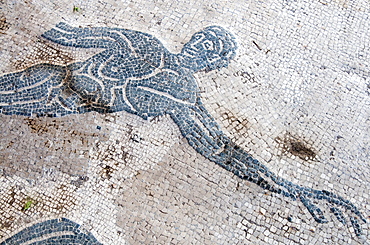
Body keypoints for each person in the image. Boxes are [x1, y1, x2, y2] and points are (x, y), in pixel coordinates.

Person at [0, 22, 365, 236]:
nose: (200, 46)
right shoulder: (150, 46)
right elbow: (105, 36)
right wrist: (68, 33)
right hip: (50, 80)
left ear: (212, 64)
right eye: (202, 39)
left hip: (63, 105)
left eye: (211, 49)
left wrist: (289, 187)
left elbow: (220, 148)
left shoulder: (183, 96)